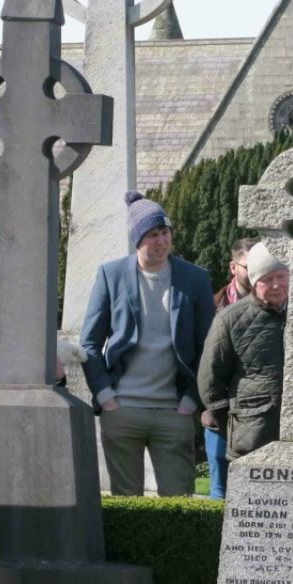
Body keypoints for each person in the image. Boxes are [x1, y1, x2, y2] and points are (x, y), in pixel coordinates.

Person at [81, 192, 216, 497]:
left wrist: (191, 401)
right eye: (152, 234)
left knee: (178, 504)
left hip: (174, 410)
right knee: (126, 504)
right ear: (137, 239)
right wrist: (105, 396)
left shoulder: (194, 278)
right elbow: (89, 342)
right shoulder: (111, 275)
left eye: (165, 232)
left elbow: (208, 347)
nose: (161, 241)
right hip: (122, 408)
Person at [198, 244, 289, 463]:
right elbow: (210, 379)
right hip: (252, 431)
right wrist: (232, 423)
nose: (276, 285)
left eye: (281, 276)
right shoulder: (230, 319)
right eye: (267, 279)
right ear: (254, 281)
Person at [202, 237, 257, 498]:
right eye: (249, 265)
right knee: (220, 494)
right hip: (220, 418)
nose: (256, 271)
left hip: (259, 418)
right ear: (233, 267)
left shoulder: (280, 307)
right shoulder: (211, 307)